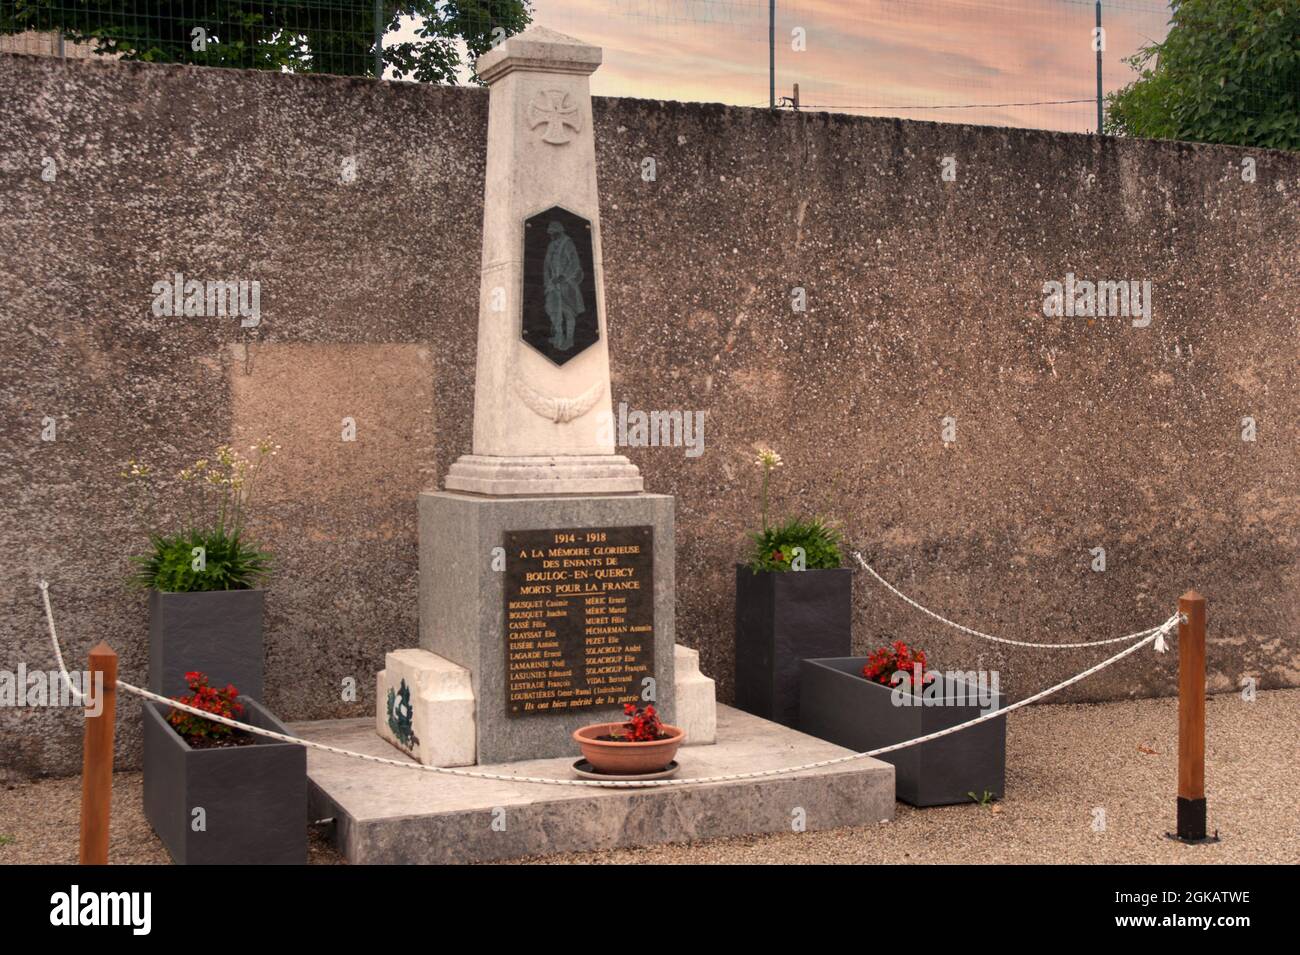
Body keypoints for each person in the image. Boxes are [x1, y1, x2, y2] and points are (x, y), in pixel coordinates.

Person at [542, 220, 584, 350]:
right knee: (554, 310)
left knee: (568, 311)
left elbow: (574, 263)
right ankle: (558, 336)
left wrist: (563, 277)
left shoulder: (567, 243)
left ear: (559, 232)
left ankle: (570, 338)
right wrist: (548, 281)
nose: (552, 236)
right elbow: (547, 265)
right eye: (550, 234)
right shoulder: (551, 245)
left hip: (566, 284)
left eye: (554, 233)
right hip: (553, 285)